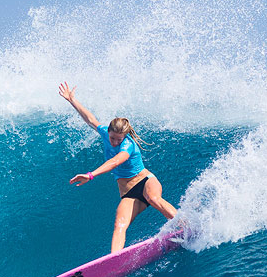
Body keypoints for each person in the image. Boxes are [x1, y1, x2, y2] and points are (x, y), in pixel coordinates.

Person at [59, 82, 178, 252]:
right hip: (128, 193)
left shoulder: (128, 145)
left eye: (118, 139)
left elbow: (115, 162)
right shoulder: (105, 132)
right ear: (108, 132)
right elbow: (91, 120)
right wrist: (72, 100)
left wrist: (91, 175)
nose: (115, 142)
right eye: (112, 138)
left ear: (125, 136)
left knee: (153, 198)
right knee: (119, 224)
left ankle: (184, 226)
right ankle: (115, 258)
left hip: (145, 181)